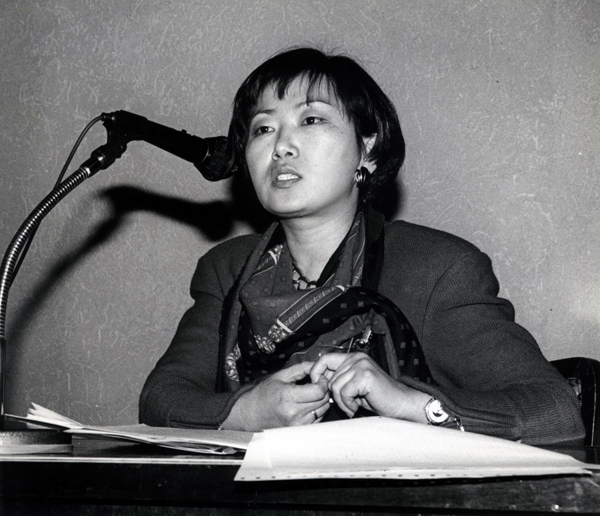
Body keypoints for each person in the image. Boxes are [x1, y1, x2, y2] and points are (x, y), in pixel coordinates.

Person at [139, 47, 585, 445]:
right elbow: (161, 399)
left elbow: (555, 410)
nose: (281, 147)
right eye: (263, 128)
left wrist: (409, 404)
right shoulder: (226, 269)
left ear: (367, 150)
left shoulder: (436, 269)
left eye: (311, 120)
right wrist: (242, 413)